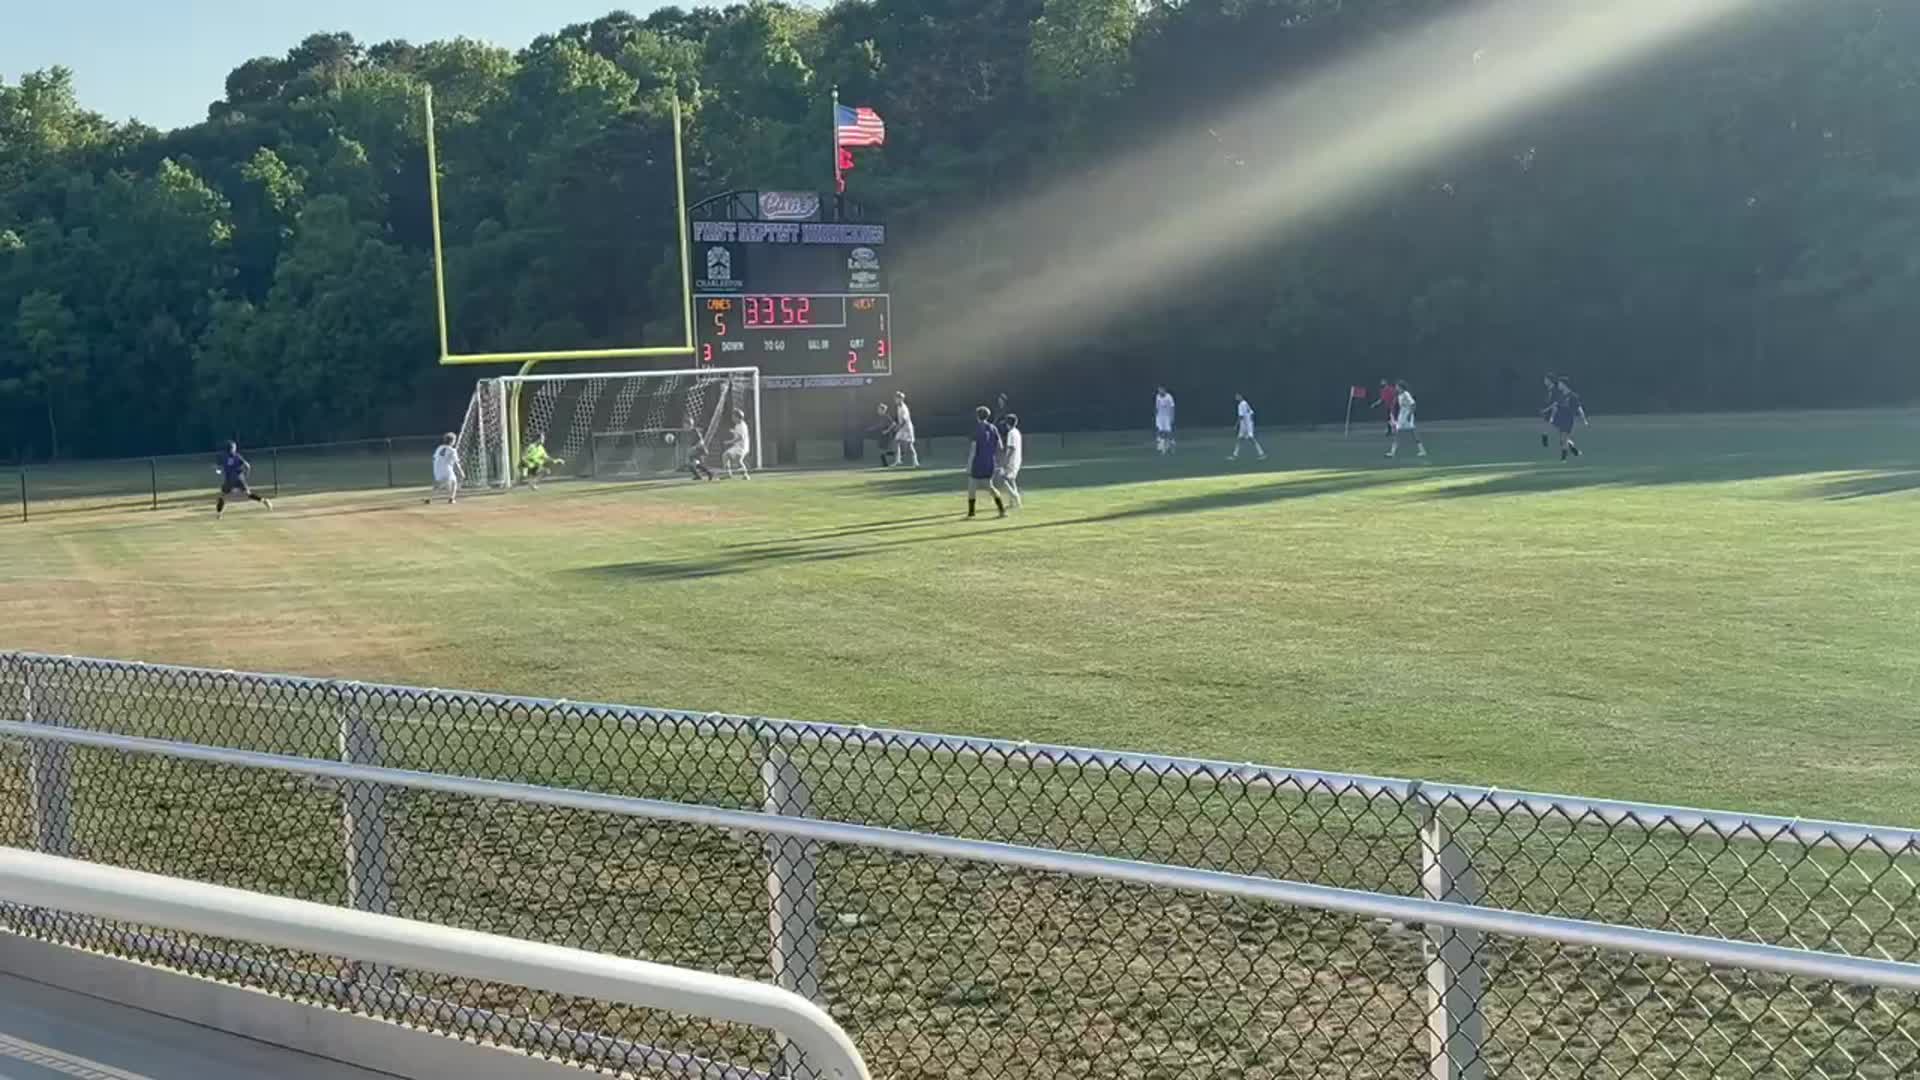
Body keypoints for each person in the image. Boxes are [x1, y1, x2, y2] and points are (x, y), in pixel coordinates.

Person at [966, 405, 1007, 519]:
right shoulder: (993, 428)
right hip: (990, 462)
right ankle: (1001, 510)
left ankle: (971, 513)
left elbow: (973, 449)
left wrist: (969, 465)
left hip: (978, 462)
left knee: (972, 486)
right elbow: (1000, 446)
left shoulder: (976, 429)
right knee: (990, 486)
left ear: (977, 416)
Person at [213, 441, 272, 517]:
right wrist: (246, 474)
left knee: (222, 496)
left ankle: (219, 514)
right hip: (239, 478)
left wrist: (218, 469)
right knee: (248, 494)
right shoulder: (237, 456)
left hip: (230, 480)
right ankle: (264, 501)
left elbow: (218, 467)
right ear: (233, 448)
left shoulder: (224, 456)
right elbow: (247, 466)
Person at [1549, 379, 1588, 460]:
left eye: (1560, 384)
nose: (1558, 385)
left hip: (1568, 419)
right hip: (1560, 419)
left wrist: (1584, 420)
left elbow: (1579, 408)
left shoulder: (1573, 396)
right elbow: (1556, 407)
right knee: (1562, 440)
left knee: (1564, 438)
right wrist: (1552, 417)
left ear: (1564, 385)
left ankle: (1563, 457)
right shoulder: (1560, 395)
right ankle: (1575, 451)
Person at [993, 412, 1025, 510]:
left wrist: (1005, 462)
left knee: (1003, 479)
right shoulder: (1017, 432)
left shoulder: (1011, 433)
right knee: (1011, 480)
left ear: (1008, 424)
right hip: (1017, 459)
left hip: (1012, 460)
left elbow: (1011, 449)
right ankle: (1013, 502)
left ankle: (1015, 497)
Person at [1387, 382, 1427, 459]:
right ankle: (1392, 452)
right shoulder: (1399, 395)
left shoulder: (1406, 394)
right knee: (1398, 433)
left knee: (1413, 433)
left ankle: (1422, 450)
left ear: (1401, 387)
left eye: (1397, 387)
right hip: (1401, 417)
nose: (1396, 388)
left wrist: (1409, 415)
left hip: (1407, 416)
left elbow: (1413, 405)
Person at [426, 432, 463, 505]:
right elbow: (456, 463)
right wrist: (461, 471)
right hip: (447, 468)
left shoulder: (440, 447)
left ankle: (429, 498)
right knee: (454, 482)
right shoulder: (452, 450)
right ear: (452, 441)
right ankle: (451, 499)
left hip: (437, 468)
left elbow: (434, 458)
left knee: (438, 484)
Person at [1228, 393, 1267, 462]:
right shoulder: (1245, 403)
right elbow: (1252, 413)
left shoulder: (1241, 405)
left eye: (1237, 396)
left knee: (1251, 439)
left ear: (1240, 396)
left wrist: (1236, 425)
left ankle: (1262, 454)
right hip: (1247, 424)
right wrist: (1250, 421)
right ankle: (1235, 455)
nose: (1236, 397)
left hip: (1246, 425)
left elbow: (1241, 416)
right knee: (1239, 439)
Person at [722, 408, 753, 479]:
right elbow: (739, 434)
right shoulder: (738, 425)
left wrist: (729, 442)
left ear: (738, 417)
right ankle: (729, 474)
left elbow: (740, 437)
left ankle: (745, 475)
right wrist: (733, 431)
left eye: (733, 417)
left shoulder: (742, 426)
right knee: (726, 456)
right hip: (738, 447)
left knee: (737, 460)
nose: (732, 418)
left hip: (741, 447)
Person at [892, 391, 919, 468]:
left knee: (909, 445)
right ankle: (898, 460)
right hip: (902, 428)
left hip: (907, 428)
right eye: (895, 398)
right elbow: (899, 419)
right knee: (896, 441)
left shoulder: (904, 408)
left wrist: (898, 427)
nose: (895, 400)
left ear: (901, 399)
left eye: (896, 398)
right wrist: (897, 425)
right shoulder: (898, 407)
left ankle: (915, 462)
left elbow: (904, 420)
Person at [1539, 374, 1564, 449]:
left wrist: (1548, 411)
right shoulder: (1549, 390)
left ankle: (1563, 441)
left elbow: (1556, 403)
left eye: (1546, 380)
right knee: (1547, 426)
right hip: (1551, 411)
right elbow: (1548, 401)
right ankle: (1545, 440)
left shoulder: (1555, 390)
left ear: (1550, 380)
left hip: (1556, 411)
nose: (1545, 381)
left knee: (1560, 427)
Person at [1154, 386, 1177, 455]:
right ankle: (1161, 446)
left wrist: (1172, 417)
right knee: (1160, 430)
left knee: (1168, 432)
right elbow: (1157, 407)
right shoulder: (1157, 396)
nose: (1160, 392)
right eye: (1159, 390)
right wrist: (1156, 415)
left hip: (1167, 416)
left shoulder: (1169, 397)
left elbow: (1172, 407)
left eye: (1161, 390)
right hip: (1160, 417)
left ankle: (1171, 444)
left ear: (1164, 390)